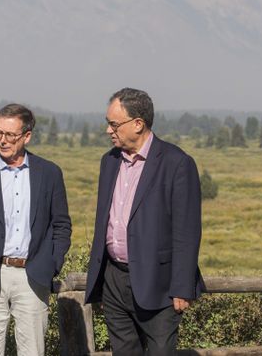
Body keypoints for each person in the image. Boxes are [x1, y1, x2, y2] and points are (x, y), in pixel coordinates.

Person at [85, 88, 205, 355]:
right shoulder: (109, 161)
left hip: (159, 284)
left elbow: (187, 231)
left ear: (138, 124)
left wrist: (182, 287)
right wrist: (103, 281)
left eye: (114, 124)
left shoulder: (177, 163)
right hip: (114, 280)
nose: (108, 130)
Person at [0, 103, 72, 356]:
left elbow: (62, 225)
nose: (2, 140)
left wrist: (52, 264)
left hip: (34, 275)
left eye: (10, 135)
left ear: (27, 136)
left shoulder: (50, 173)